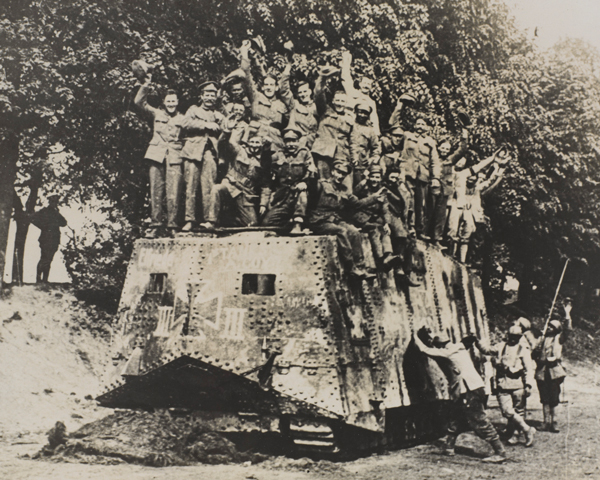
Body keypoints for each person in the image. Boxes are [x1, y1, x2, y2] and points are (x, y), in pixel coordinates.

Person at [413, 329, 507, 463]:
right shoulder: (460, 348)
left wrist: (415, 335)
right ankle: (449, 447)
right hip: (475, 387)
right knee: (456, 417)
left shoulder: (446, 352)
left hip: (468, 390)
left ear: (439, 345)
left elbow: (424, 350)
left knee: (479, 421)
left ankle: (500, 452)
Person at [308, 161, 384, 279]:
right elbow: (311, 190)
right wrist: (311, 176)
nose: (340, 176)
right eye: (338, 172)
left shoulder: (344, 191)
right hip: (319, 221)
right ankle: (350, 267)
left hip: (334, 220)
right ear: (333, 172)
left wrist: (374, 198)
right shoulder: (321, 185)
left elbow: (358, 203)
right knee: (341, 231)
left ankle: (361, 267)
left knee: (354, 232)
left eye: (343, 174)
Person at [134, 75, 184, 238]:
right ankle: (156, 224)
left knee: (173, 192)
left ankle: (172, 225)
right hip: (156, 155)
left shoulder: (183, 119)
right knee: (156, 191)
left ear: (177, 102)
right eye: (168, 101)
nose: (171, 104)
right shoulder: (156, 113)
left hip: (175, 156)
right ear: (164, 102)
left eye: (174, 101)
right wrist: (145, 85)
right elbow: (139, 103)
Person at [201, 115, 268, 229]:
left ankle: (228, 219)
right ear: (247, 143)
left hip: (245, 195)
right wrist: (227, 131)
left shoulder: (264, 160)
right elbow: (223, 144)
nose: (254, 145)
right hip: (230, 187)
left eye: (257, 142)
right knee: (217, 188)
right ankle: (211, 222)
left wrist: (263, 203)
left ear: (261, 144)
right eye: (252, 142)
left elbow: (265, 185)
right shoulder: (239, 151)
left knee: (252, 224)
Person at [475, 326, 536, 447]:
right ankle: (527, 429)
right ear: (508, 336)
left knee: (519, 410)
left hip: (518, 384)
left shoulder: (523, 349)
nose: (513, 339)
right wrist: (477, 341)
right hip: (503, 384)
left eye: (516, 337)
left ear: (520, 337)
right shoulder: (501, 346)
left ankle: (516, 434)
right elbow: (487, 350)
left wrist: (528, 384)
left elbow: (529, 368)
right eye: (511, 337)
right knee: (507, 411)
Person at [446, 148, 508, 262]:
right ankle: (451, 254)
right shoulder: (454, 175)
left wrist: (497, 166)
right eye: (469, 178)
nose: (471, 179)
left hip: (467, 210)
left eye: (473, 178)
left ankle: (463, 259)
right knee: (453, 229)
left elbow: (488, 179)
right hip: (455, 204)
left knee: (469, 229)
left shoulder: (475, 188)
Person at [180, 81, 224, 231]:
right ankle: (189, 220)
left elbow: (226, 130)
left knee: (209, 187)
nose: (210, 98)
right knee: (190, 187)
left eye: (213, 95)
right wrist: (206, 125)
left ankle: (210, 220)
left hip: (209, 153)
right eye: (207, 94)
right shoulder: (193, 110)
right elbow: (185, 123)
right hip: (192, 152)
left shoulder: (218, 115)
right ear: (202, 96)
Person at [261, 128, 317, 233]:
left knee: (302, 194)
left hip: (299, 196)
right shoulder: (278, 155)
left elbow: (312, 172)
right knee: (267, 223)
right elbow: (266, 168)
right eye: (288, 141)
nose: (291, 144)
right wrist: (266, 150)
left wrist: (305, 182)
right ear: (284, 142)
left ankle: (297, 224)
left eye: (294, 141)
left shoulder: (305, 153)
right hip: (283, 197)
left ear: (298, 141)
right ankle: (289, 223)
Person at [532, 300, 573, 432]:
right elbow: (534, 355)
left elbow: (568, 329)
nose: (548, 328)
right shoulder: (541, 339)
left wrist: (567, 314)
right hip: (542, 372)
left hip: (554, 371)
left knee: (554, 398)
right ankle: (545, 422)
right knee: (544, 398)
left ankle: (554, 422)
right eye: (548, 326)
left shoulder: (559, 338)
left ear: (556, 329)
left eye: (551, 327)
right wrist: (536, 352)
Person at [240, 40, 288, 150]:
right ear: (262, 87)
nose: (269, 87)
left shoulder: (282, 105)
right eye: (266, 84)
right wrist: (244, 53)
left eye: (271, 84)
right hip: (256, 138)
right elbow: (246, 76)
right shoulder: (256, 97)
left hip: (275, 142)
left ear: (276, 87)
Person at [311, 66, 354, 186]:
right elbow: (318, 94)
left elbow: (353, 139)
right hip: (323, 152)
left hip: (341, 154)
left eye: (342, 101)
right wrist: (323, 78)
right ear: (333, 101)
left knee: (342, 185)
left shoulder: (350, 118)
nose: (340, 103)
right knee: (324, 183)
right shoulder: (325, 110)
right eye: (338, 100)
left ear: (345, 103)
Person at [352, 164, 400, 271]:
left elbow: (385, 209)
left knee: (384, 229)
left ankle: (388, 255)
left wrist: (387, 223)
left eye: (377, 177)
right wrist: (364, 179)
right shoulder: (363, 187)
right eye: (373, 177)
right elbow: (354, 196)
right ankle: (380, 257)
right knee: (374, 229)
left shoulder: (382, 190)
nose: (375, 180)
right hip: (361, 217)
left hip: (373, 217)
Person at [426, 128, 469, 248]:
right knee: (429, 212)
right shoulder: (432, 159)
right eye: (443, 148)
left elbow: (462, 149)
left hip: (445, 191)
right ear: (438, 147)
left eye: (447, 149)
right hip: (432, 189)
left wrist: (464, 135)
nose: (444, 150)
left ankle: (436, 240)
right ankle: (424, 235)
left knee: (441, 216)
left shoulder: (450, 160)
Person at [279, 48, 319, 149]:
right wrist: (288, 67)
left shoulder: (317, 106)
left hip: (315, 146)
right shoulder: (295, 104)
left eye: (305, 91)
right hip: (297, 145)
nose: (303, 94)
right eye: (300, 92)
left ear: (310, 91)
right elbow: (284, 90)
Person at [340, 51, 380, 135]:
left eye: (369, 84)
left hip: (359, 131)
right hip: (346, 126)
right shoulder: (352, 92)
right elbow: (346, 78)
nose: (366, 86)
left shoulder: (371, 102)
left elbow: (374, 120)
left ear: (371, 87)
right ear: (360, 84)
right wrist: (346, 62)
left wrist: (376, 134)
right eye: (365, 83)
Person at [31, 195, 67, 283]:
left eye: (56, 202)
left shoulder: (55, 212)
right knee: (44, 258)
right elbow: (33, 219)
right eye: (54, 202)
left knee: (48, 259)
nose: (55, 203)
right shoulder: (44, 211)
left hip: (54, 238)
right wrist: (43, 226)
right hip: (46, 238)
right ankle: (39, 279)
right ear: (50, 202)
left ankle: (44, 279)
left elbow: (64, 223)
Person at [350, 102, 382, 187]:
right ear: (355, 112)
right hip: (345, 161)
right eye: (360, 112)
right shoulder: (349, 125)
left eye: (365, 113)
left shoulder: (370, 131)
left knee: (359, 188)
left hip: (361, 166)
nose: (362, 115)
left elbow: (376, 148)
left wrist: (372, 159)